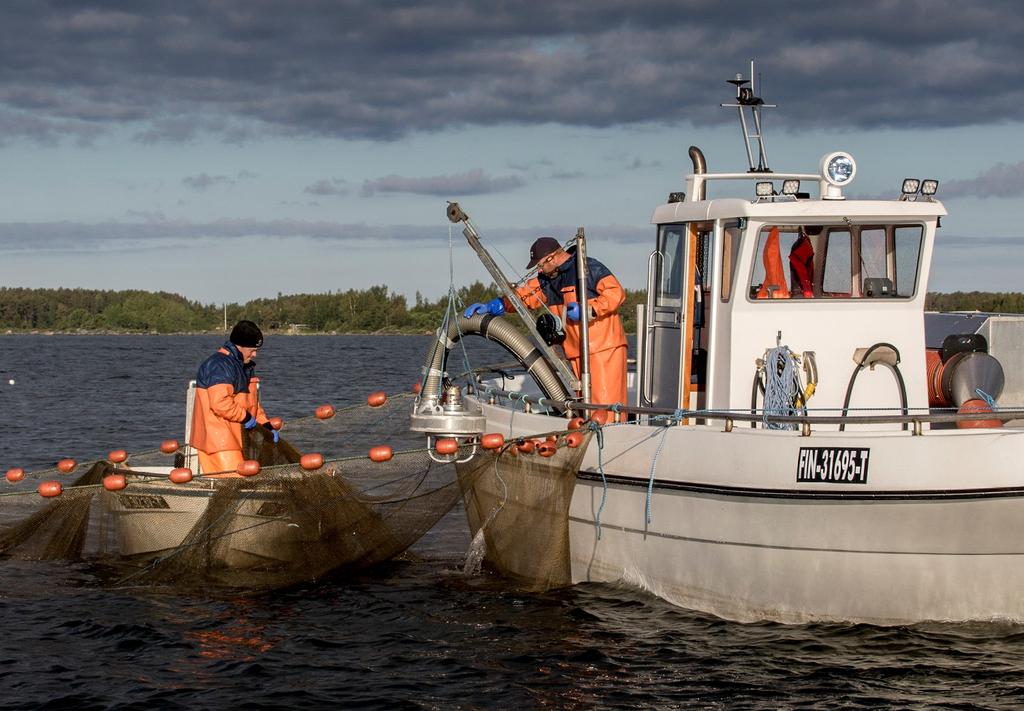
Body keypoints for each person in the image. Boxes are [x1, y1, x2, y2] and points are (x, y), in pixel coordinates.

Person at [465, 237, 628, 421]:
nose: (539, 270)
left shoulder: (589, 268)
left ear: (552, 257)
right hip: (575, 351)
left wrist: (588, 309)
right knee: (586, 404)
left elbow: (616, 293)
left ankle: (609, 437)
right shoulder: (547, 280)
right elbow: (523, 296)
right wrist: (495, 306)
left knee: (604, 404)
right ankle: (590, 434)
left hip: (604, 348)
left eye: (540, 265)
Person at [189, 319, 279, 476]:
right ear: (240, 345)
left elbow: (251, 404)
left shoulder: (244, 366)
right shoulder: (219, 365)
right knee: (233, 485)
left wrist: (266, 425)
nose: (255, 354)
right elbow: (220, 403)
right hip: (218, 441)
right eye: (253, 349)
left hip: (236, 440)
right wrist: (245, 418)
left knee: (240, 486)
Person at [788, 225, 820, 298]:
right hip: (803, 291)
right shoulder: (805, 246)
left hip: (802, 291)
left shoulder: (804, 246)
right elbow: (803, 272)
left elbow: (803, 272)